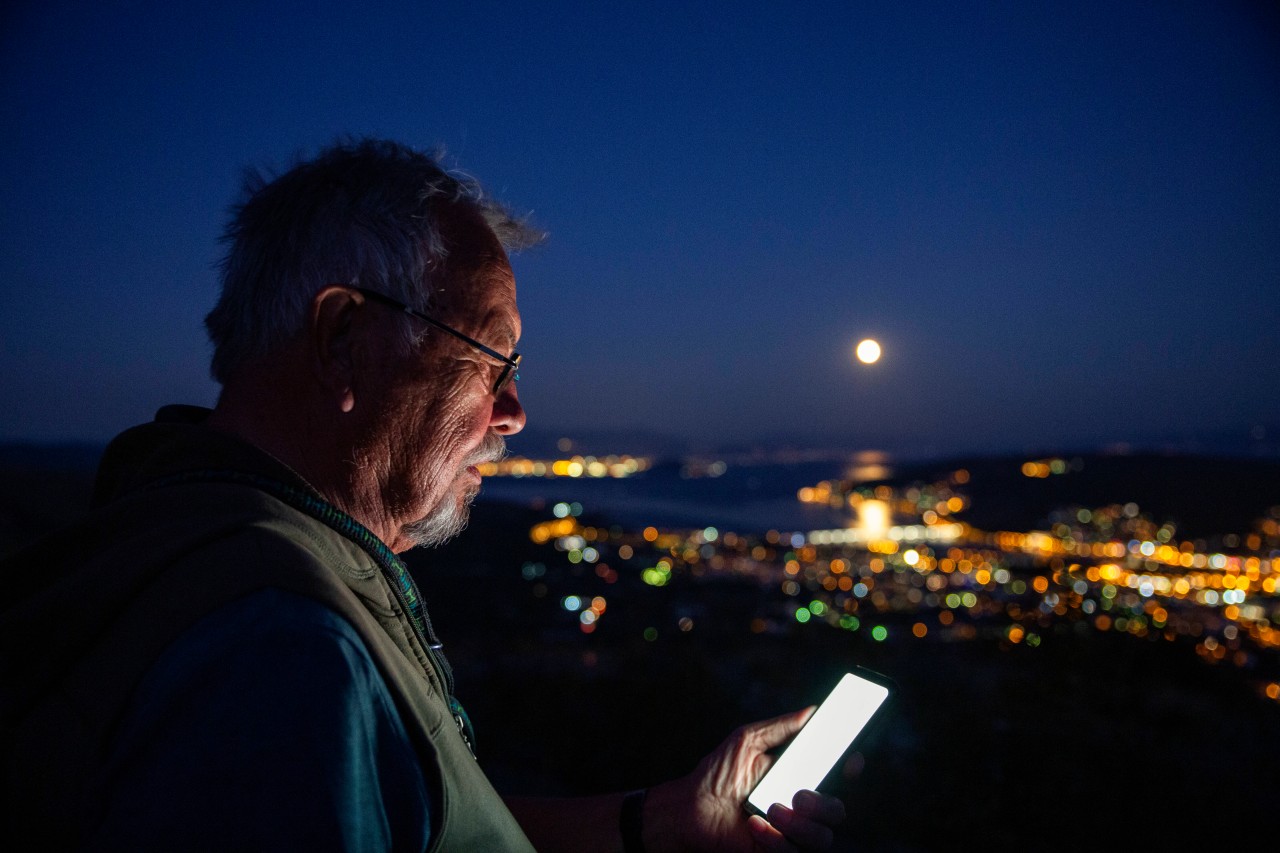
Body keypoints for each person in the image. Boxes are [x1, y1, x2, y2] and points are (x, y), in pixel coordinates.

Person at [0, 139, 847, 851]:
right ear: (345, 344)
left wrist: (655, 822)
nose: (514, 412)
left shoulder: (181, 534)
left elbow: (414, 818)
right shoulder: (280, 647)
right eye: (491, 359)